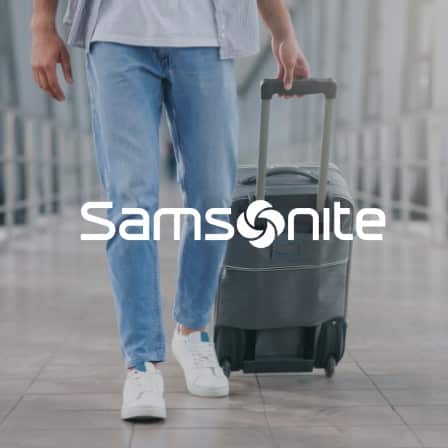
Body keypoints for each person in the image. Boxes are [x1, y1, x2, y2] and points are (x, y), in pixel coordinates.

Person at [30, 0, 310, 421]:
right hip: (117, 34)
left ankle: (192, 330)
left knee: (214, 197)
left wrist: (283, 30)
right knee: (131, 203)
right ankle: (141, 363)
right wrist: (41, 25)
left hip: (206, 38)